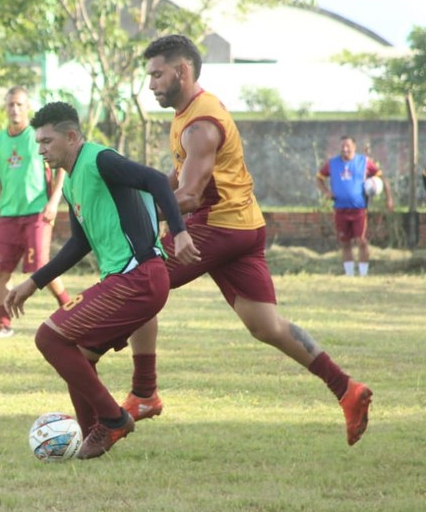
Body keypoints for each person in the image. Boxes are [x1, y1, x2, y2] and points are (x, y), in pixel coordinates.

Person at [124, 34, 372, 446]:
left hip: (217, 226)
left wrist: (135, 217)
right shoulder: (191, 113)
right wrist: (148, 190)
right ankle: (346, 389)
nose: (150, 84)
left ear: (181, 71)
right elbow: (178, 182)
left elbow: (186, 195)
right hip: (243, 225)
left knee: (137, 277)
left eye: (156, 74)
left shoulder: (200, 125)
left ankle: (143, 392)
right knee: (266, 325)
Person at [5, 102, 200, 459]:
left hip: (139, 276)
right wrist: (33, 282)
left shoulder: (99, 160)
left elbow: (156, 180)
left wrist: (180, 231)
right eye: (38, 143)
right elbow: (79, 244)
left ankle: (112, 419)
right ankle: (89, 434)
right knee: (78, 355)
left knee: (49, 337)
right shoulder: (70, 185)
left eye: (47, 141)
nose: (41, 149)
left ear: (72, 136)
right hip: (125, 280)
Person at [0, 86, 70, 338]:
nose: (15, 109)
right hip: (8, 215)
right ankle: (3, 323)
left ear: (27, 107)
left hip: (37, 212)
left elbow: (60, 168)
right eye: (10, 104)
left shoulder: (38, 135)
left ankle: (69, 311)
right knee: (2, 271)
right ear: (5, 107)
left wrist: (54, 201)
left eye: (20, 105)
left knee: (41, 267)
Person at [316, 136, 394, 276]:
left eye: (348, 146)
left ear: (354, 147)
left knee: (361, 241)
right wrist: (326, 192)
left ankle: (363, 274)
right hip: (340, 208)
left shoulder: (364, 162)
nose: (345, 149)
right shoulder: (332, 163)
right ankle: (349, 274)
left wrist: (389, 199)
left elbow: (382, 179)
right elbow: (319, 178)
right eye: (342, 146)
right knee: (345, 242)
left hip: (359, 209)